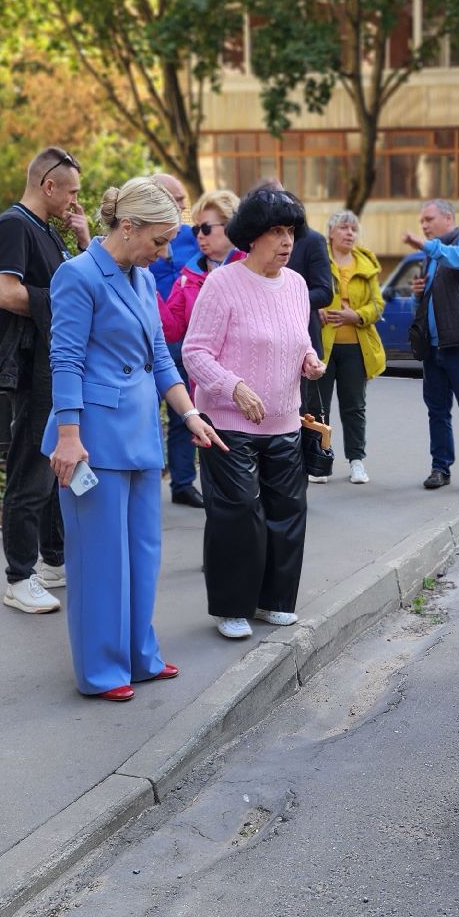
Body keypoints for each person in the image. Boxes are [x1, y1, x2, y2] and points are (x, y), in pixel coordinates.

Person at [45, 177, 227, 699]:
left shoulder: (143, 278)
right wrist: (68, 436)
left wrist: (190, 414)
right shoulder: (77, 275)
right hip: (91, 439)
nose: (166, 252)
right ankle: (101, 669)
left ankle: (138, 655)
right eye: (160, 241)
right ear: (128, 226)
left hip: (143, 430)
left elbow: (161, 358)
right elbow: (66, 360)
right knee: (100, 560)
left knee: (143, 553)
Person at [182, 186, 326, 640]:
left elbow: (297, 338)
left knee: (288, 511)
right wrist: (233, 385)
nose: (286, 241)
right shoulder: (224, 283)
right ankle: (231, 607)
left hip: (285, 420)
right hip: (227, 423)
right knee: (239, 513)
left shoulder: (298, 284)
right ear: (252, 237)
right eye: (276, 232)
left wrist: (309, 360)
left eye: (290, 232)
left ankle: (274, 600)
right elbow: (194, 352)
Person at [0, 147, 89, 615]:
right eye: (70, 192)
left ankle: (52, 561)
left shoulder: (50, 230)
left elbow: (92, 284)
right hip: (34, 366)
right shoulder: (13, 225)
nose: (74, 201)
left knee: (52, 469)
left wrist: (84, 239)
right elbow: (6, 294)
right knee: (30, 468)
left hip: (56, 363)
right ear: (48, 186)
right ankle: (19, 575)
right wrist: (67, 301)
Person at [405, 198, 459, 493]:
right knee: (437, 411)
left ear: (447, 218)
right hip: (434, 347)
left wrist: (428, 246)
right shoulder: (431, 256)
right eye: (422, 222)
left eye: (429, 219)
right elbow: (432, 300)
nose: (425, 226)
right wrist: (419, 293)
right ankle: (440, 468)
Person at [160, 188, 241, 507]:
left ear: (232, 228)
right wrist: (141, 285)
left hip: (246, 393)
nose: (199, 236)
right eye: (196, 229)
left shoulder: (252, 268)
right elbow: (171, 328)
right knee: (218, 486)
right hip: (205, 390)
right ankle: (224, 554)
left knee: (246, 485)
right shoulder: (189, 274)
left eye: (206, 228)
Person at [314, 209, 386, 485]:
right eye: (344, 228)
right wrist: (315, 309)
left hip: (357, 347)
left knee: (354, 406)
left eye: (353, 229)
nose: (349, 233)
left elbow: (378, 304)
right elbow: (305, 291)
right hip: (323, 346)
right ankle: (320, 461)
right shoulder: (321, 260)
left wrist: (356, 315)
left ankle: (357, 461)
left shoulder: (365, 265)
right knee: (320, 407)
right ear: (331, 232)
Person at [147, 173, 202, 300]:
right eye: (177, 199)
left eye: (183, 199)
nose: (183, 205)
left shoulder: (192, 234)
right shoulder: (138, 241)